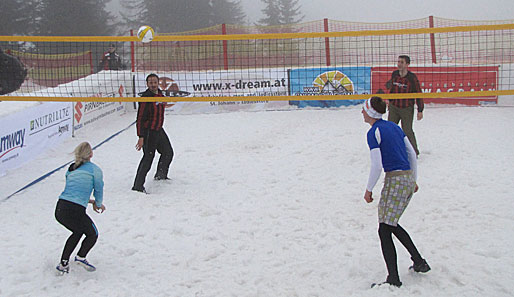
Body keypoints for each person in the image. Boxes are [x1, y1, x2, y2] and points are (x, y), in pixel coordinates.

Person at [361, 96, 430, 288]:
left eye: (364, 109)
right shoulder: (394, 127)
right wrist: (413, 179)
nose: (362, 112)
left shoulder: (374, 132)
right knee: (390, 225)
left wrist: (368, 190)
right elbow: (412, 154)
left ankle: (394, 279)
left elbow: (376, 165)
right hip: (406, 177)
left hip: (395, 179)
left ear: (370, 112)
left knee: (385, 228)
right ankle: (418, 261)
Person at [55, 142, 106, 274]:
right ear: (91, 154)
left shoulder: (72, 168)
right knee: (92, 234)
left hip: (61, 208)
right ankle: (81, 257)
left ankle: (64, 263)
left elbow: (74, 192)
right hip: (75, 210)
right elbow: (98, 190)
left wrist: (90, 201)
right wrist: (98, 204)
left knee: (77, 231)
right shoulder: (95, 170)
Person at [132, 73, 174, 193]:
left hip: (158, 129)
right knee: (148, 158)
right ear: (147, 84)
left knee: (168, 152)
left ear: (158, 83)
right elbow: (140, 118)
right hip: (149, 131)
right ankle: (137, 186)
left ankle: (160, 175)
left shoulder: (160, 94)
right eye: (150, 83)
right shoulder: (146, 98)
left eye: (155, 82)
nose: (153, 84)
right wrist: (141, 136)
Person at [386, 55, 424, 156]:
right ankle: (388, 150)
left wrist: (420, 110)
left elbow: (418, 93)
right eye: (398, 62)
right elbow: (392, 90)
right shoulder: (394, 74)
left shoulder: (412, 77)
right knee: (389, 129)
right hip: (394, 107)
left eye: (401, 62)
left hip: (406, 108)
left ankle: (414, 152)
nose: (399, 64)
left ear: (407, 64)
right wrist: (389, 101)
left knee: (407, 131)